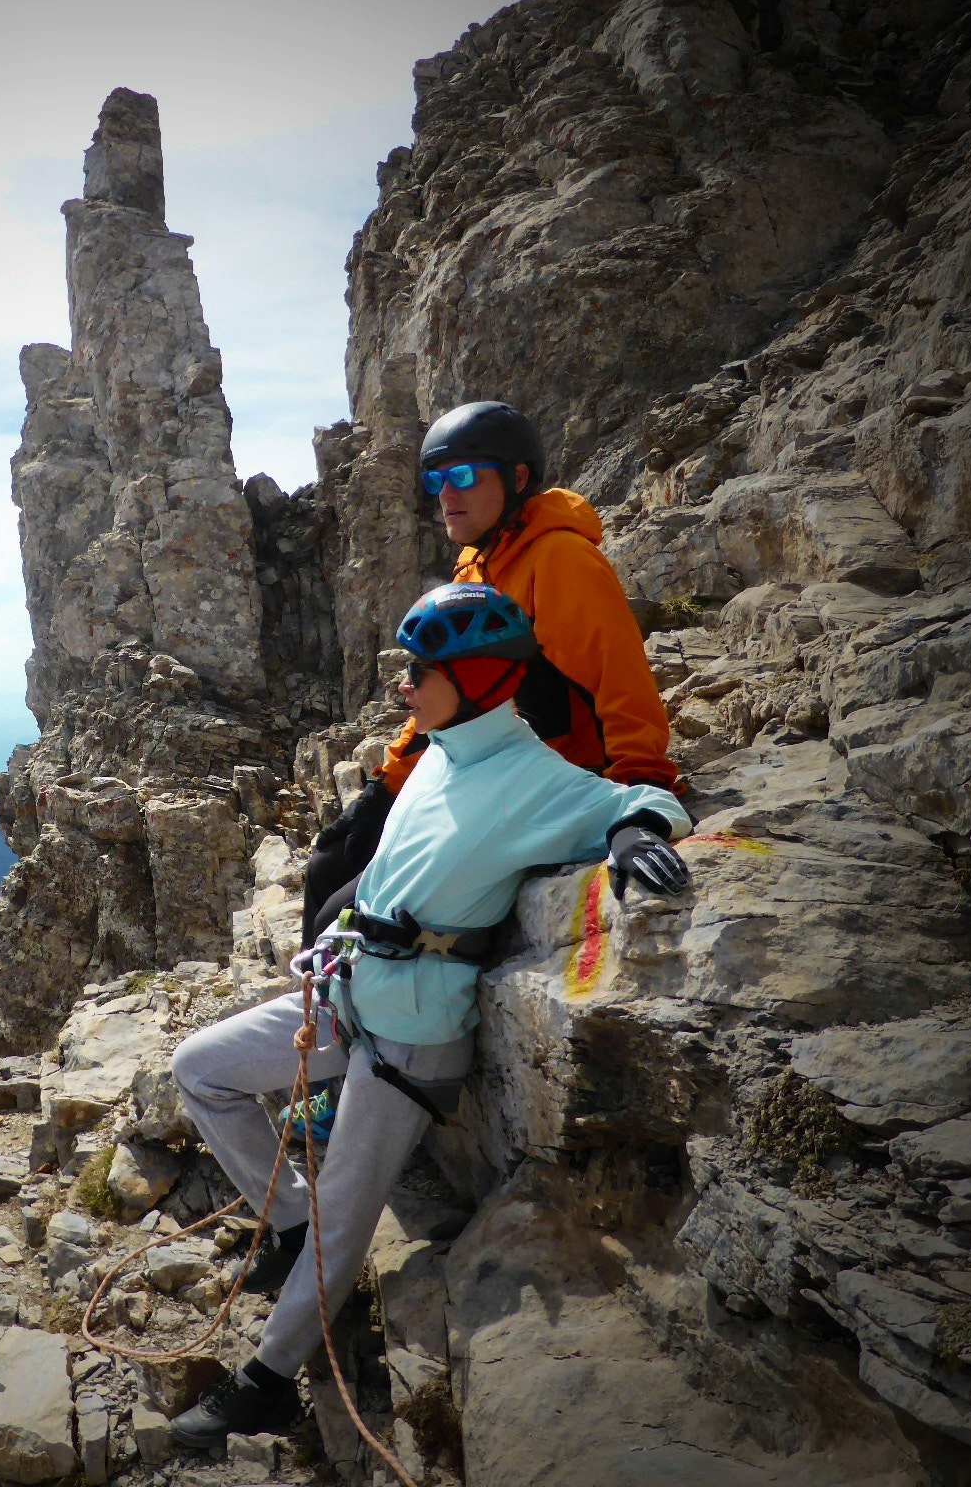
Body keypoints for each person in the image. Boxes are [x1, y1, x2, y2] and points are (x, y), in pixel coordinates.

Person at [167, 582, 691, 1448]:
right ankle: (289, 1223)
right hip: (349, 991)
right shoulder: (442, 751)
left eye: (421, 670)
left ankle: (267, 1381)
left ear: (478, 678)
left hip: (413, 1035)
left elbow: (643, 801)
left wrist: (636, 834)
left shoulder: (533, 780)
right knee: (200, 1068)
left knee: (346, 1214)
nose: (403, 684)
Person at [301, 400, 680, 948]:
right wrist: (385, 789)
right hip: (480, 770)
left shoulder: (561, 560)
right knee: (326, 866)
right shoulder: (476, 566)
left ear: (517, 478)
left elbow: (620, 684)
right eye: (435, 480)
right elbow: (452, 695)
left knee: (340, 914)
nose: (446, 495)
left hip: (541, 787)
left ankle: (340, 990)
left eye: (463, 476)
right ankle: (316, 994)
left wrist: (636, 804)